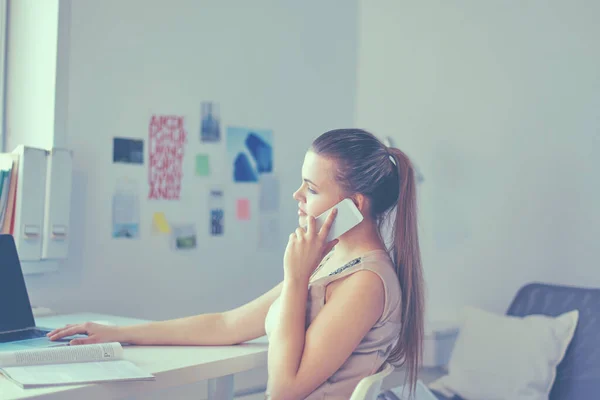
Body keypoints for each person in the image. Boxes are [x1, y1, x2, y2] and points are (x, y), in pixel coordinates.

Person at [47, 129, 425, 400]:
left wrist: (294, 279)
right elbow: (228, 324)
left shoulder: (365, 282)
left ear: (354, 205)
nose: (297, 196)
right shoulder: (333, 259)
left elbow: (284, 391)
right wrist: (121, 333)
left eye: (311, 189)